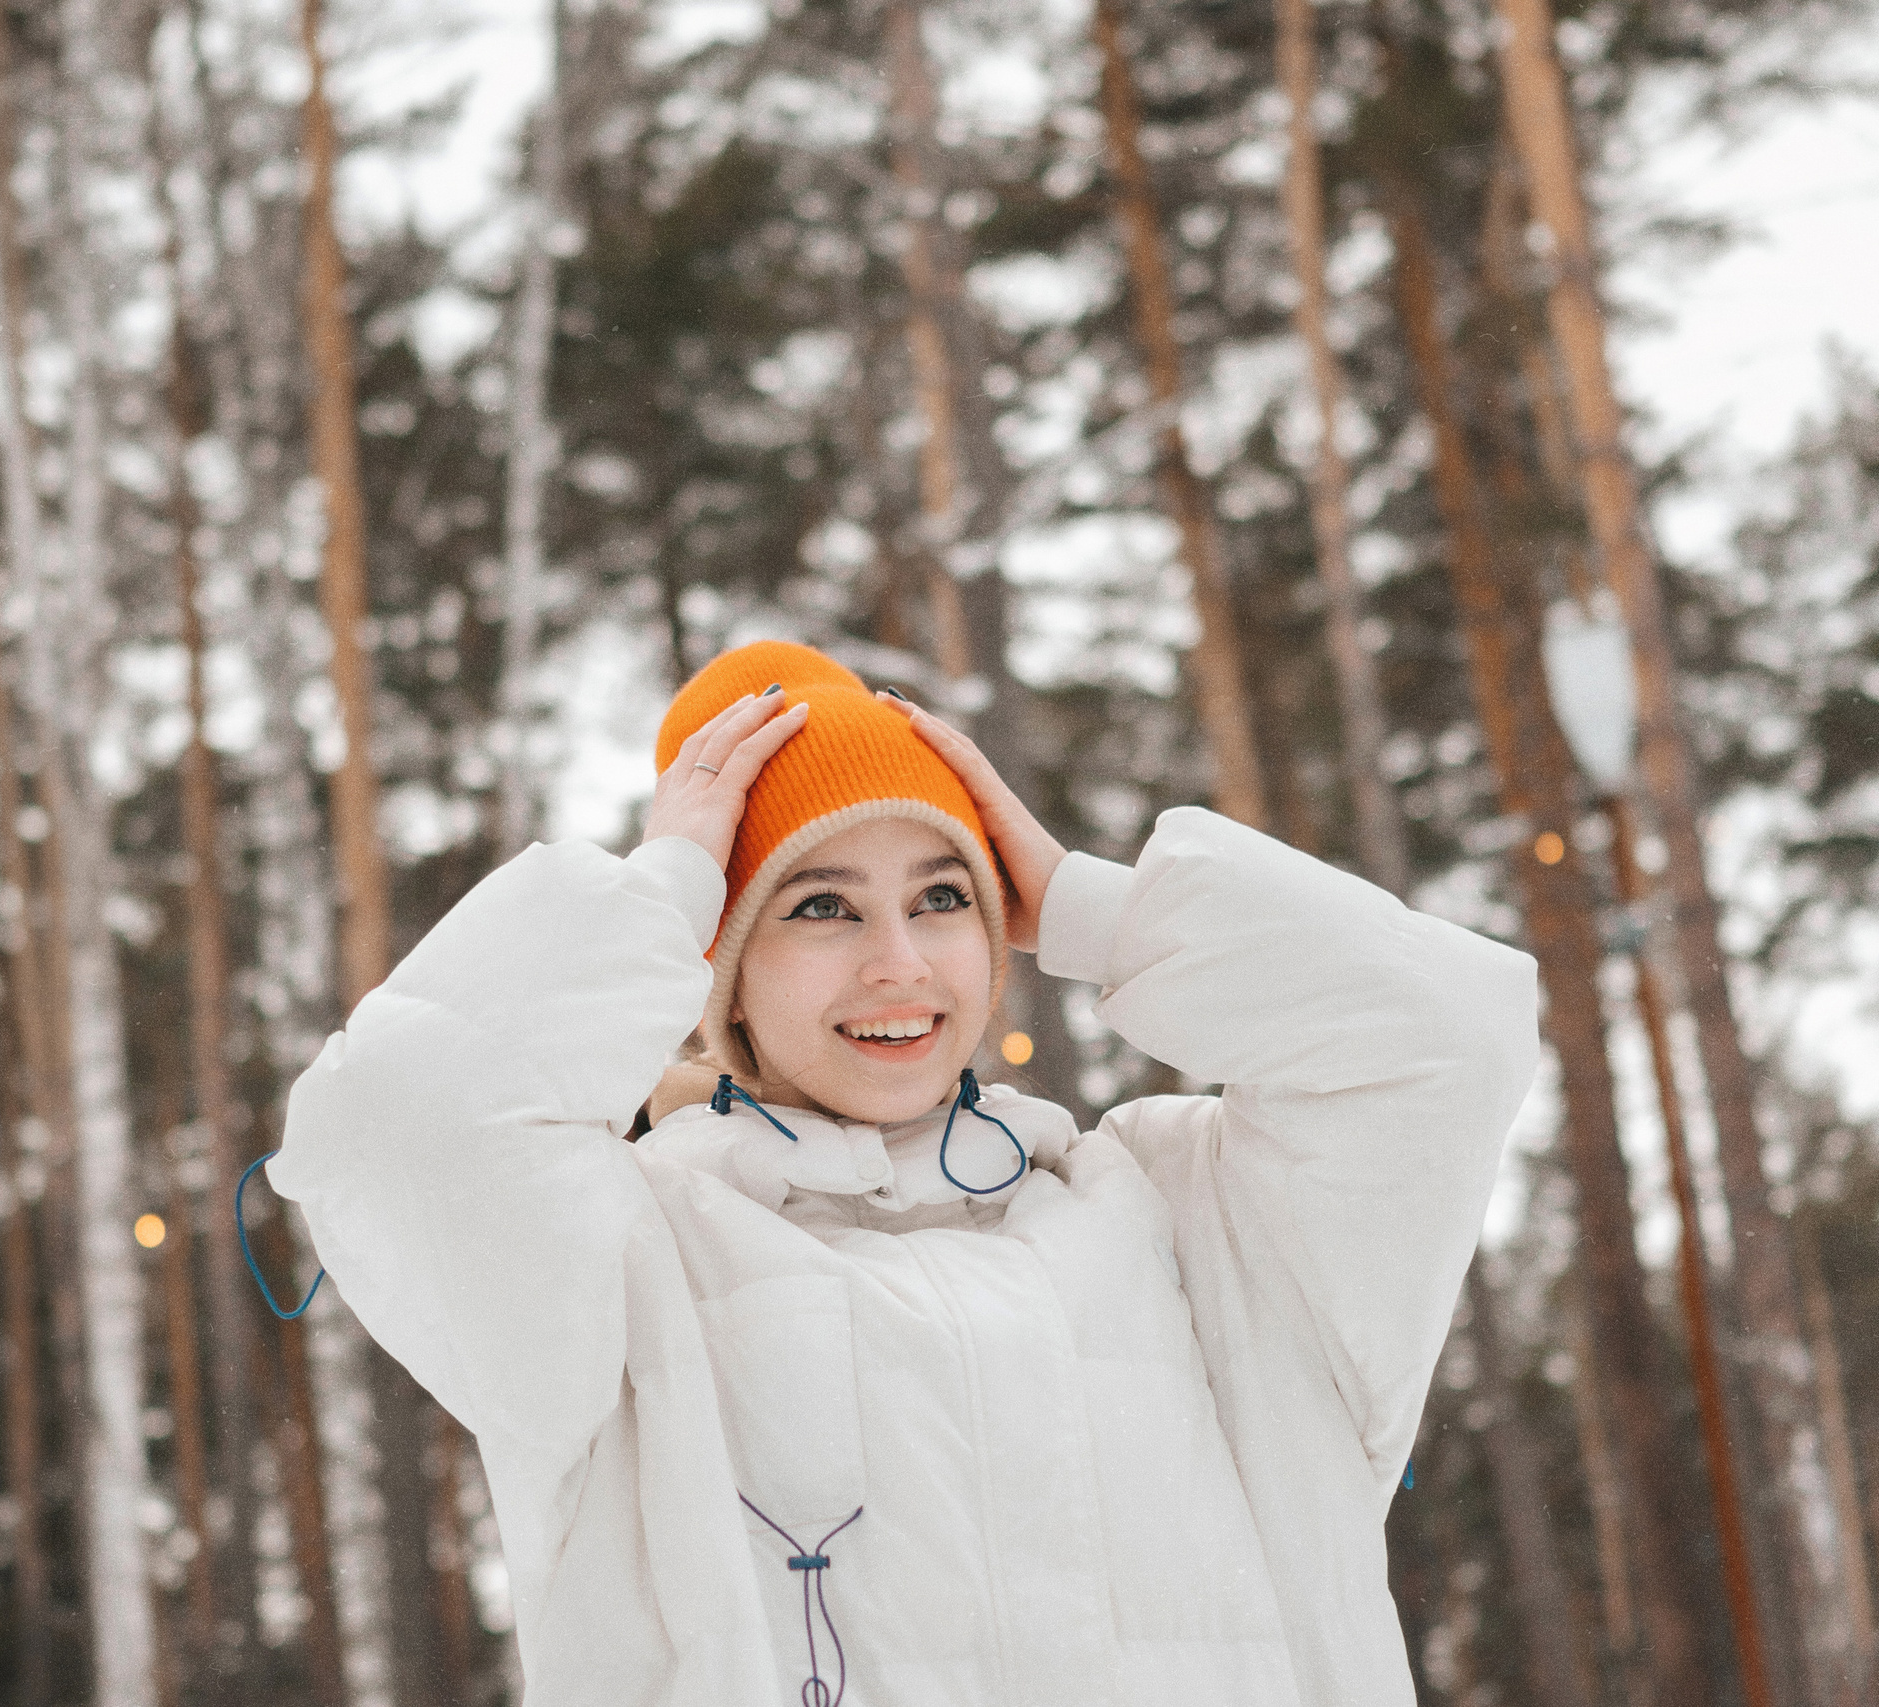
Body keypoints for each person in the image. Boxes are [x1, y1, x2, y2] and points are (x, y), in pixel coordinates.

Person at [269, 640, 1538, 1707]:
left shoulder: (1185, 1214)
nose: (901, 966)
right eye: (819, 907)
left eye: (941, 898)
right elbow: (392, 1123)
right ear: (723, 960)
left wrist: (1088, 904)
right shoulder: (625, 1257)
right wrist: (660, 890)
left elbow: (1443, 1038)